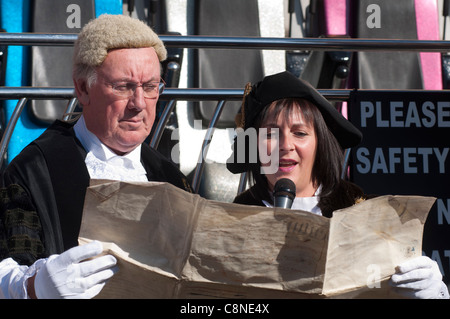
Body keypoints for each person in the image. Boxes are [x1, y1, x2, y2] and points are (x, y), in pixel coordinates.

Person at [0, 14, 192, 299]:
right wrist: (34, 287)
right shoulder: (34, 172)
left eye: (150, 87)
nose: (139, 104)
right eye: (124, 87)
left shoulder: (172, 178)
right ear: (83, 88)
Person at [226, 71, 449, 299]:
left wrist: (432, 293)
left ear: (320, 145)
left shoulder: (372, 214)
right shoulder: (233, 220)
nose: (285, 145)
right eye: (271, 134)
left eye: (300, 133)